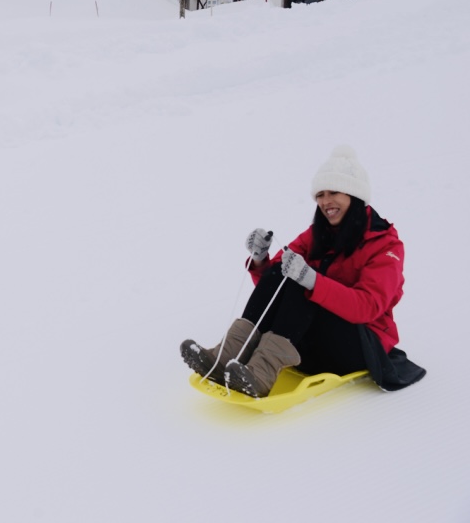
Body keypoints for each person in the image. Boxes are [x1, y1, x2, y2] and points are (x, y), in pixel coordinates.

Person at [181, 145, 425, 397]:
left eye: (334, 192)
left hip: (358, 349)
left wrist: (312, 281)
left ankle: (261, 374)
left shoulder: (385, 246)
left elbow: (368, 307)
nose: (325, 201)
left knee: (302, 283)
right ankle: (226, 355)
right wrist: (260, 258)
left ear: (354, 195)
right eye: (320, 194)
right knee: (281, 273)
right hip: (308, 346)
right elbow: (274, 288)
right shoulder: (317, 235)